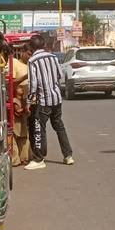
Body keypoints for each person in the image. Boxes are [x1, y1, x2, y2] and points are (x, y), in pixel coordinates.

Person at [25, 34, 73, 170]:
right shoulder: (53, 57)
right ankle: (68, 155)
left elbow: (33, 84)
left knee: (39, 129)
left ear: (31, 46)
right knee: (59, 127)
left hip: (44, 100)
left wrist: (29, 102)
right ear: (44, 45)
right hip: (57, 99)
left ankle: (39, 159)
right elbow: (59, 75)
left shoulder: (32, 60)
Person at [9, 44, 31, 167]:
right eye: (28, 53)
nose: (30, 56)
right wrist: (26, 76)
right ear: (22, 52)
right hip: (16, 101)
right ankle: (15, 159)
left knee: (24, 132)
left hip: (28, 102)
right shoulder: (14, 63)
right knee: (14, 132)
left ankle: (25, 157)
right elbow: (10, 83)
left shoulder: (32, 64)